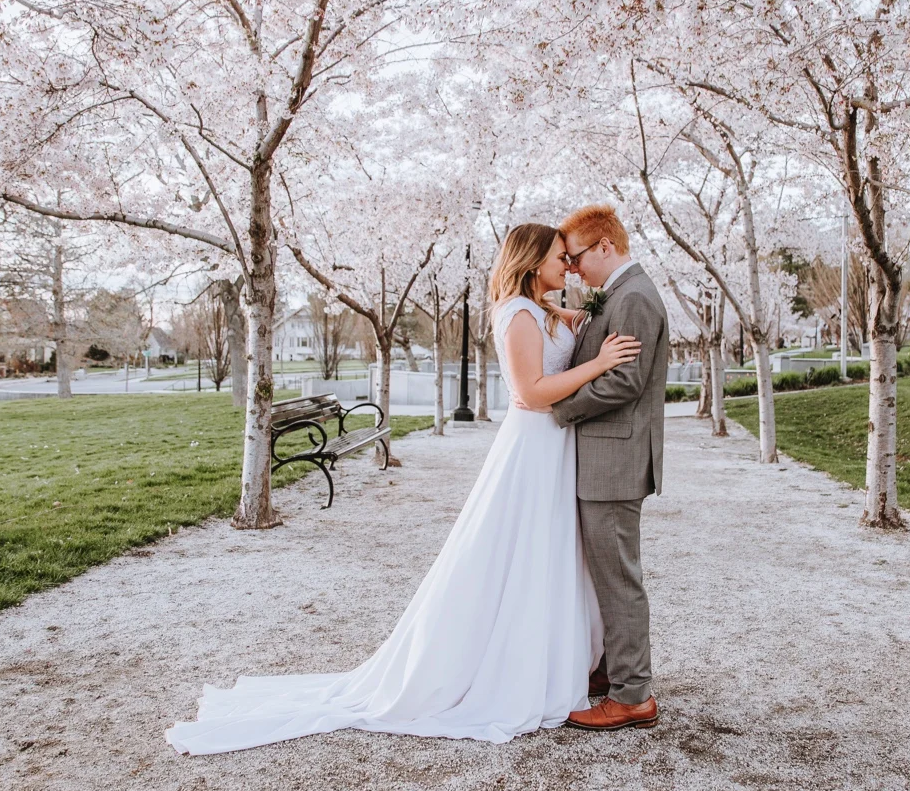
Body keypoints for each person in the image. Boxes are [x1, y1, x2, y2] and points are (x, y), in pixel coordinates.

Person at [165, 223, 640, 753]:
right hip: (533, 447)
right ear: (530, 263)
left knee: (552, 555)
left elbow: (570, 330)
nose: (568, 266)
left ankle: (560, 659)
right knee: (520, 552)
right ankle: (507, 668)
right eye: (559, 257)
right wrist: (598, 363)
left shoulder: (547, 311)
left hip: (557, 448)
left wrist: (592, 313)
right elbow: (529, 393)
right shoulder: (517, 314)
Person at [550, 204, 669, 731]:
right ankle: (612, 669)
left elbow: (625, 383)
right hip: (603, 456)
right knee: (604, 573)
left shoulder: (635, 298)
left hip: (615, 459)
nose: (572, 269)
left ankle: (632, 693)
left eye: (575, 258)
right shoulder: (617, 296)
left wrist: (561, 409)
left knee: (619, 578)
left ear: (604, 247)